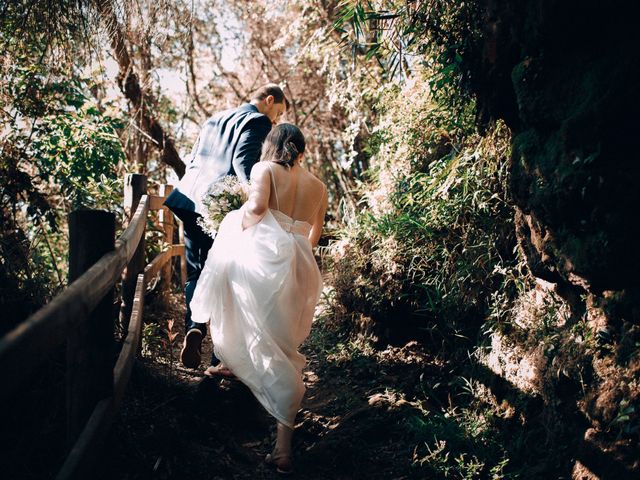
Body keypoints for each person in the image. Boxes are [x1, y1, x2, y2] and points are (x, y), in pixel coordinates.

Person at [190, 124, 327, 473]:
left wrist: (229, 222)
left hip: (266, 259)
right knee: (284, 345)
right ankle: (283, 449)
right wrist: (294, 252)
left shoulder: (263, 169)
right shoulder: (319, 186)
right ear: (301, 149)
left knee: (240, 300)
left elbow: (255, 209)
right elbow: (315, 233)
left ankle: (231, 361)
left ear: (272, 145)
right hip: (301, 265)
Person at [164, 84, 288, 371]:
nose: (276, 121)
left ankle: (195, 327)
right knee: (228, 277)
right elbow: (243, 162)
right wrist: (255, 199)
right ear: (269, 101)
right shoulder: (257, 121)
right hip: (222, 208)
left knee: (197, 270)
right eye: (278, 113)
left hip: (189, 199)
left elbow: (195, 159)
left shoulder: (214, 119)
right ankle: (221, 355)